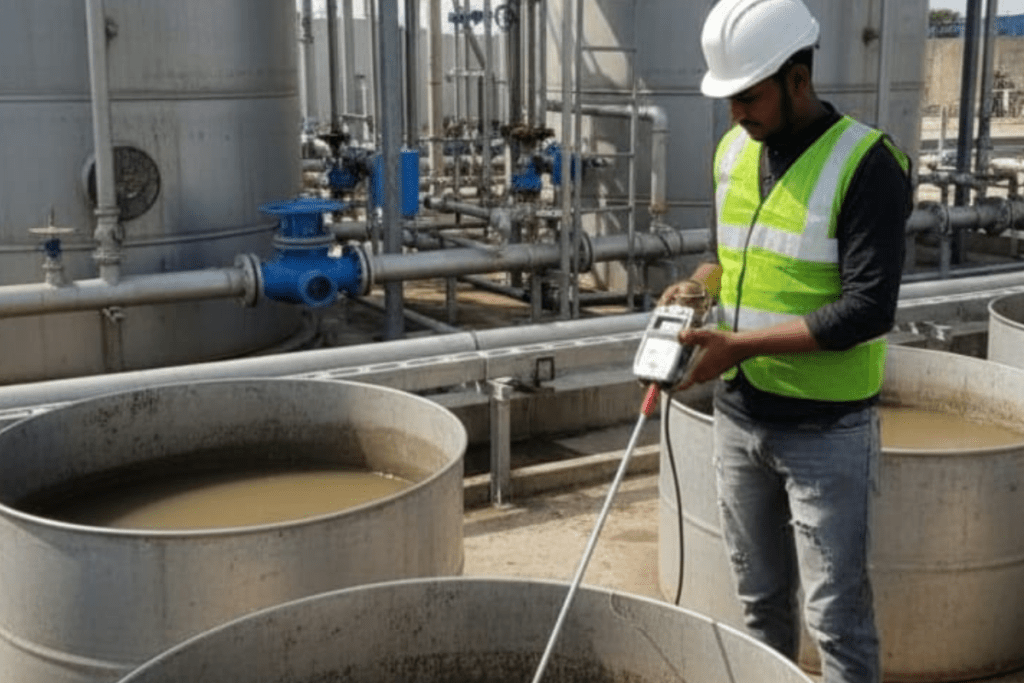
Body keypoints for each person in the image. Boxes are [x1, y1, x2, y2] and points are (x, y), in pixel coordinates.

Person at [671, 2, 913, 683]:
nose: (736, 115)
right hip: (741, 420)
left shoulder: (867, 165)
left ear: (797, 80)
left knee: (836, 619)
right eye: (728, 100)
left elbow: (868, 308)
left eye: (748, 96)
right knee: (759, 602)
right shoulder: (732, 154)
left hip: (827, 430)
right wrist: (692, 288)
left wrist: (739, 348)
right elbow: (725, 258)